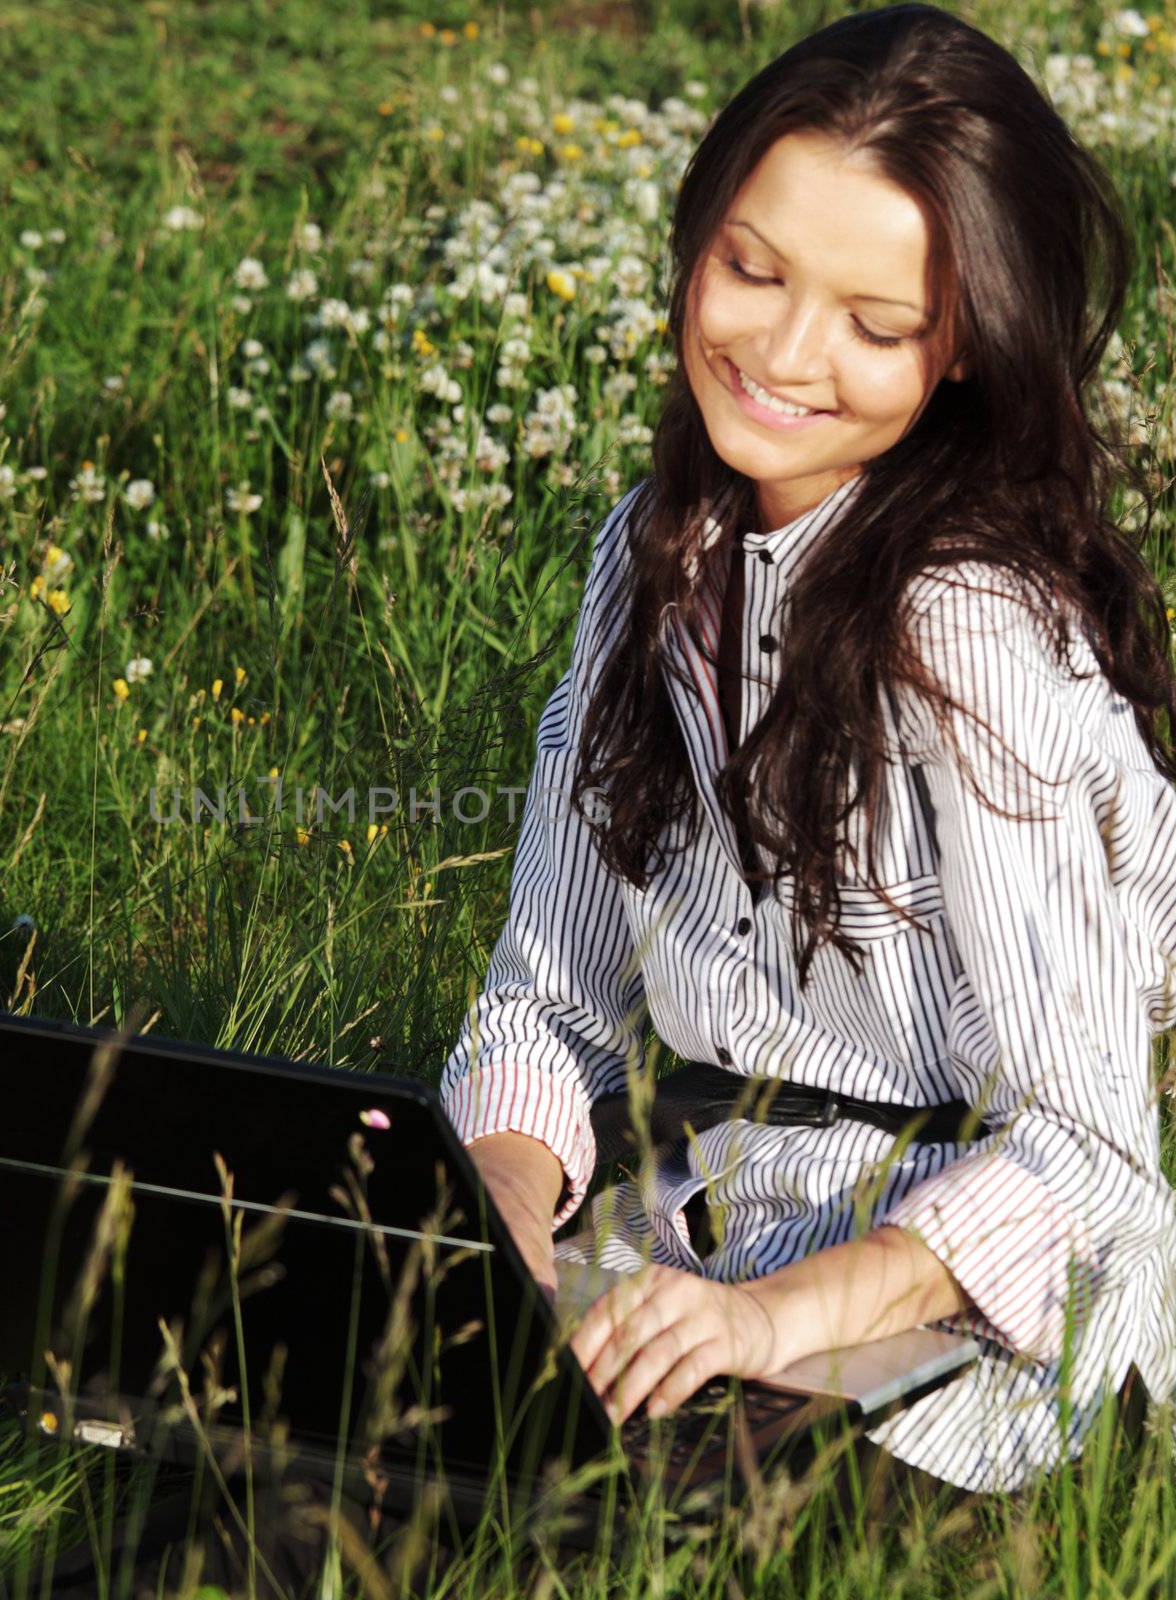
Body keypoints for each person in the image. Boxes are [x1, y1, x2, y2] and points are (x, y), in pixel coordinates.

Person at [443, 1, 1176, 1504]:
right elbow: (548, 1000)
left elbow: (1090, 1159)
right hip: (703, 1218)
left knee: (574, 1527)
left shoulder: (965, 630)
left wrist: (768, 1319)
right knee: (334, 1427)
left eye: (875, 322)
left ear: (968, 343)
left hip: (946, 1303)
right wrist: (496, 1215)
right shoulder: (644, 561)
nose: (780, 353)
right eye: (750, 269)